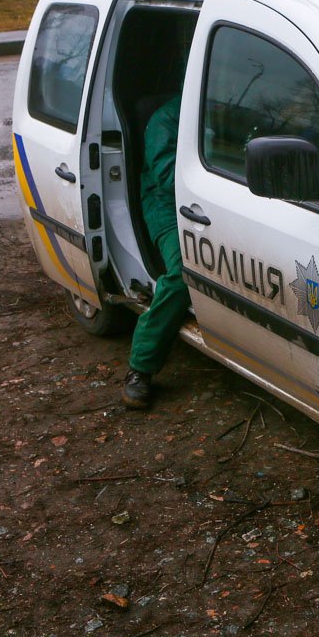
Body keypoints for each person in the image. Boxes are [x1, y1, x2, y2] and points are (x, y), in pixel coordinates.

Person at [122, 95, 191, 409]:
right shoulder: (168, 118)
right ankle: (141, 368)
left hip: (210, 202)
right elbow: (167, 175)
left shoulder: (233, 106)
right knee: (181, 277)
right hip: (167, 205)